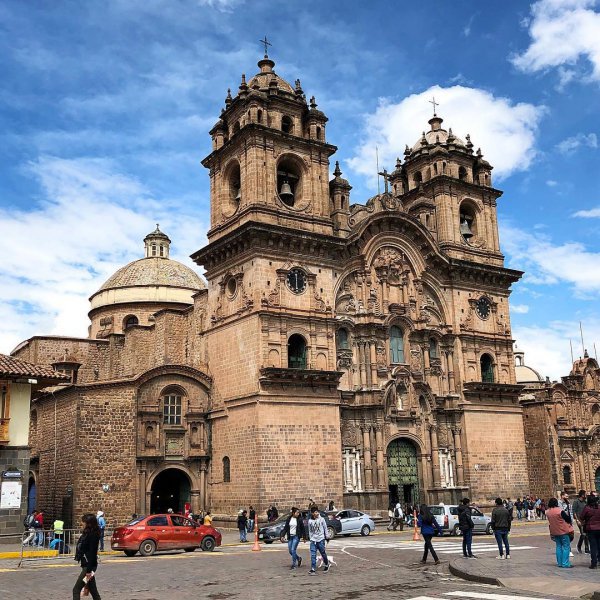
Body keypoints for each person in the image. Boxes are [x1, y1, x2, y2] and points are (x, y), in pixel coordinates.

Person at [73, 513, 101, 600]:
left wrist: (88, 571)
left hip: (89, 567)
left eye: (84, 522)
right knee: (93, 590)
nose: (82, 523)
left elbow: (92, 553)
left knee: (76, 589)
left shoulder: (93, 535)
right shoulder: (86, 533)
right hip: (87, 566)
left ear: (88, 523)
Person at [546, 496, 573, 568]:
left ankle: (560, 563)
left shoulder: (548, 512)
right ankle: (565, 563)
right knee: (566, 546)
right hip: (563, 531)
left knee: (558, 546)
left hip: (555, 531)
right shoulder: (559, 511)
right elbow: (568, 519)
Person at [307, 505, 330, 575]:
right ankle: (313, 568)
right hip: (313, 540)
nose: (317, 513)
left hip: (321, 539)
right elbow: (310, 530)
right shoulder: (310, 521)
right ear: (312, 513)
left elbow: (325, 528)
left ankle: (326, 563)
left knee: (323, 553)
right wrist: (311, 538)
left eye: (317, 512)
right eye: (315, 512)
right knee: (313, 555)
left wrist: (327, 536)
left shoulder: (322, 519)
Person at [580, 494, 600, 569]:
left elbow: (582, 517)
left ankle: (594, 563)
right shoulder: (599, 507)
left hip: (591, 529)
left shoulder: (587, 508)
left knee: (593, 546)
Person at [573, 489, 590, 554]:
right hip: (580, 520)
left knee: (586, 535)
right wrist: (577, 520)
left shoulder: (585, 502)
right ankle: (579, 546)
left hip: (586, 520)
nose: (586, 495)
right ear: (582, 495)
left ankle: (586, 548)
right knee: (583, 534)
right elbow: (574, 511)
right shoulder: (576, 502)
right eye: (585, 494)